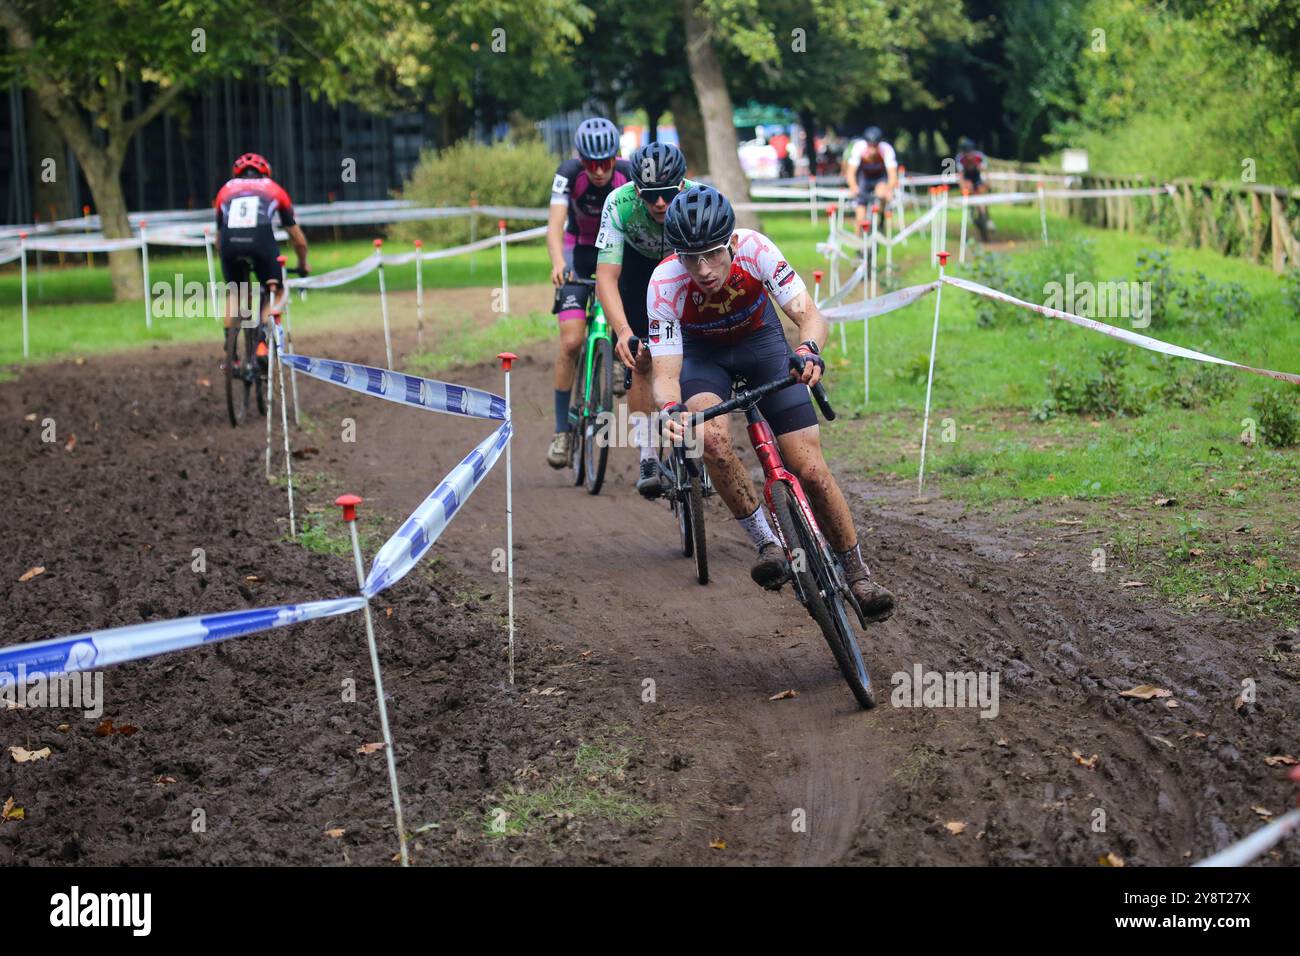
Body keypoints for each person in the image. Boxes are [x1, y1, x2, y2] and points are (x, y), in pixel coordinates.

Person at [645, 184, 895, 620]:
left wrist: (809, 350)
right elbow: (665, 375)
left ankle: (858, 574)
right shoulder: (665, 283)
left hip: (763, 346)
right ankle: (767, 542)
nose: (702, 269)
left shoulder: (757, 250)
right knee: (712, 441)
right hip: (705, 360)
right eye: (690, 258)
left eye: (713, 254)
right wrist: (670, 411)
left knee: (810, 468)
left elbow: (810, 315)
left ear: (732, 244)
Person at [594, 141, 699, 497]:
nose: (659, 203)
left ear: (682, 186)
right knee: (640, 356)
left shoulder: (700, 199)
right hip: (637, 273)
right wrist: (622, 332)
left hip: (685, 271)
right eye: (651, 195)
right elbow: (606, 277)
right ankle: (649, 456)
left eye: (668, 194)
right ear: (636, 188)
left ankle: (697, 444)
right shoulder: (619, 204)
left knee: (695, 355)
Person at [545, 118, 634, 468]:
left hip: (615, 251)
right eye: (590, 163)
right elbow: (554, 227)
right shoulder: (568, 172)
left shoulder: (628, 173)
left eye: (605, 162)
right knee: (570, 342)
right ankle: (561, 433)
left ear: (616, 156)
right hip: (577, 252)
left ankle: (613, 355)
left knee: (625, 299)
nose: (598, 171)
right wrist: (557, 262)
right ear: (580, 159)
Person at [213, 153, 308, 361]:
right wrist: (302, 263)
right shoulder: (274, 189)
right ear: (265, 172)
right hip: (261, 240)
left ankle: (231, 351)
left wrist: (230, 262)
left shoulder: (225, 190)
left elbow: (218, 240)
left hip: (230, 243)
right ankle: (262, 342)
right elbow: (298, 240)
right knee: (277, 289)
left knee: (236, 292)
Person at [843, 126, 899, 233]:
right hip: (864, 177)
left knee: (881, 193)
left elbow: (892, 175)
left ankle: (880, 217)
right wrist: (853, 187)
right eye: (870, 145)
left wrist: (889, 190)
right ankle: (859, 243)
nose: (872, 149)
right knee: (860, 215)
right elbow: (850, 173)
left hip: (880, 177)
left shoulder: (887, 150)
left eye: (875, 146)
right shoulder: (858, 148)